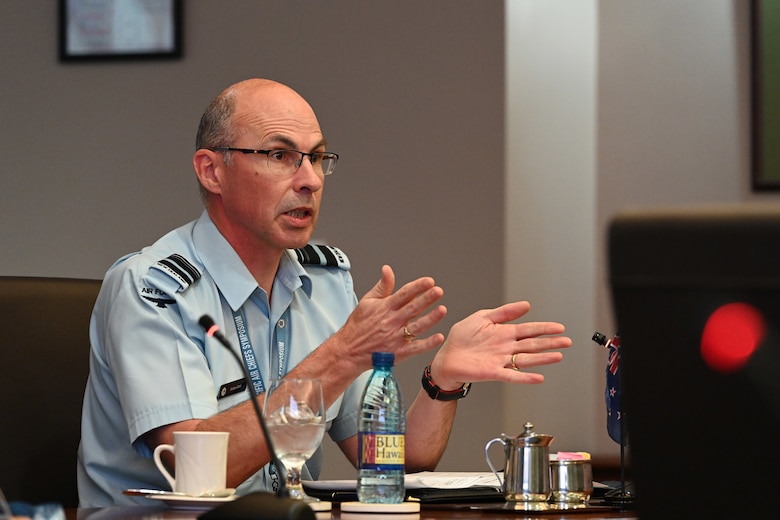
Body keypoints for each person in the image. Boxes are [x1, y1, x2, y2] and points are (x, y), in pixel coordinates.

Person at [76, 78, 572, 506]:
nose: (310, 180)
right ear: (212, 170)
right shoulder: (151, 288)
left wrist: (440, 383)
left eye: (316, 158)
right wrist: (340, 357)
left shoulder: (325, 282)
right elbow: (194, 471)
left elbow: (389, 460)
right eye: (280, 155)